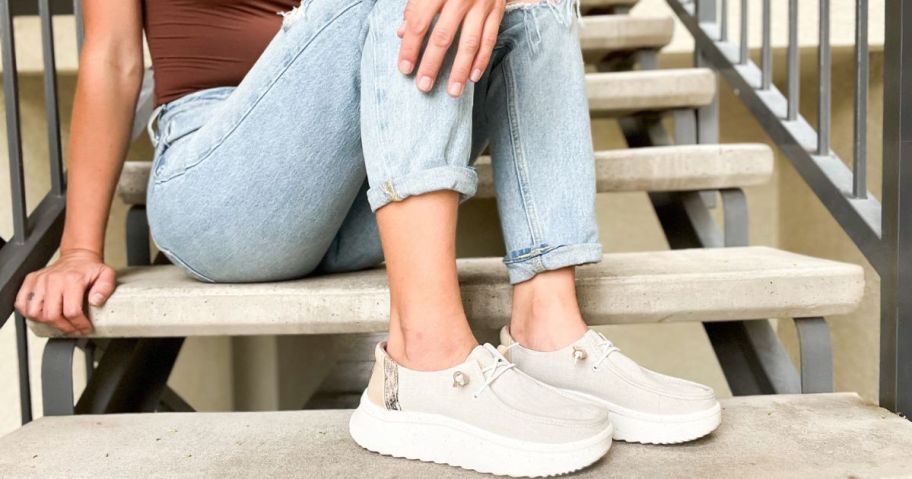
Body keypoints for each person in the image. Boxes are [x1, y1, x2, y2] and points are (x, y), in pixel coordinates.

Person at [14, 0, 721, 475]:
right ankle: (422, 361)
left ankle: (549, 330)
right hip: (219, 182)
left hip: (348, 188)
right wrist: (80, 243)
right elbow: (111, 59)